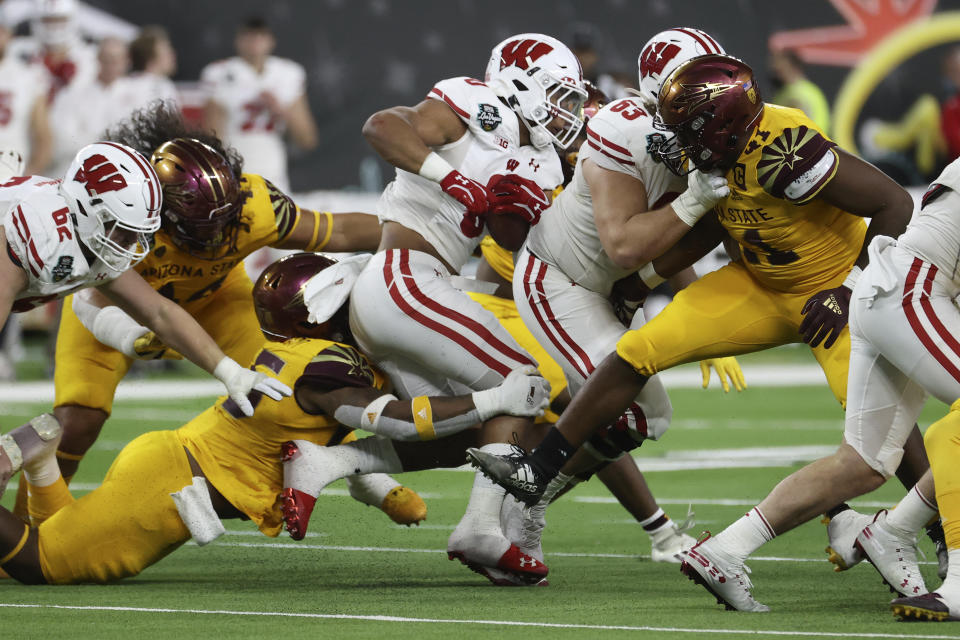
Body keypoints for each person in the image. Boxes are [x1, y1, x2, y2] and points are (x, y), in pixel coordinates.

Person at [467, 53, 923, 610]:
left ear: (725, 125)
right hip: (757, 285)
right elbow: (711, 222)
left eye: (688, 129)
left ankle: (943, 535)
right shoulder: (713, 151)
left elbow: (895, 201)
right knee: (638, 348)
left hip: (829, 294)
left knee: (874, 428)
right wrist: (643, 286)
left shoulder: (786, 150)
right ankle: (539, 470)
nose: (676, 139)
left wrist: (851, 285)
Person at [0, 252, 550, 585]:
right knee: (35, 562)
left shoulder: (300, 356)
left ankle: (41, 466)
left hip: (172, 464)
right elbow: (395, 421)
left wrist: (383, 491)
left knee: (47, 537)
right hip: (170, 487)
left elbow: (328, 436)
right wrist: (494, 399)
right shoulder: (326, 368)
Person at [29, 102, 423, 527]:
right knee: (78, 419)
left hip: (215, 302)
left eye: (227, 222)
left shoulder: (254, 204)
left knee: (292, 380)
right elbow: (91, 300)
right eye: (203, 230)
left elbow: (338, 229)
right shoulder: (129, 218)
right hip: (115, 312)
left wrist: (422, 236)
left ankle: (363, 473)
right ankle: (34, 523)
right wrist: (130, 336)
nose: (219, 236)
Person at [353, 32, 585, 579]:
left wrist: (513, 215)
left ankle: (335, 465)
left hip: (423, 289)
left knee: (471, 430)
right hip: (402, 278)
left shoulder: (547, 160)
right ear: (522, 83)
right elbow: (382, 126)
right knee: (522, 382)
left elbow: (506, 237)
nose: (566, 109)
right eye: (558, 93)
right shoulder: (482, 103)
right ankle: (479, 527)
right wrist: (456, 179)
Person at [0, 141, 291, 496]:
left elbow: (159, 312)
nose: (131, 243)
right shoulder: (33, 239)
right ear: (87, 208)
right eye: (122, 229)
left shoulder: (87, 234)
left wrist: (229, 371)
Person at [200, 16, 317, 193]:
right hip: (234, 157)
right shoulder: (219, 73)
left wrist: (281, 111)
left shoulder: (288, 73)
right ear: (238, 41)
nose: (255, 42)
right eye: (249, 36)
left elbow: (307, 139)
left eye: (260, 36)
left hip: (272, 162)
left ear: (271, 41)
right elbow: (212, 136)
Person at [768, 48, 830, 134]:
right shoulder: (810, 90)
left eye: (779, 70)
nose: (775, 73)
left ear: (791, 67)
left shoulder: (796, 93)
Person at [125, 25, 178, 108]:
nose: (173, 56)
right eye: (167, 52)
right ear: (151, 60)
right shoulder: (161, 87)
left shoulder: (166, 85)